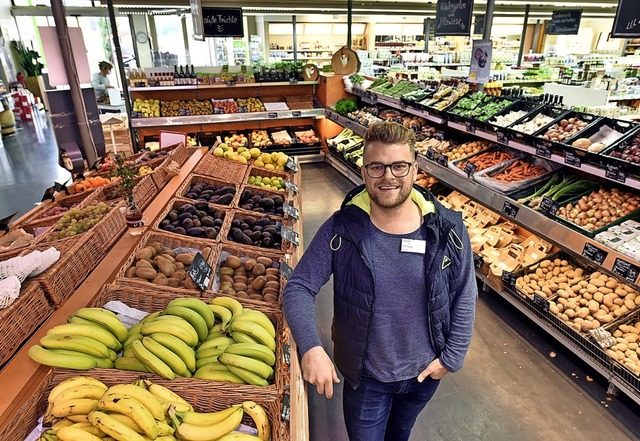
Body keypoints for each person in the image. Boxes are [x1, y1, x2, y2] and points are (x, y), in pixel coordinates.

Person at [282, 121, 478, 441]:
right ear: (363, 172)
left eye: (399, 166)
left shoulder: (448, 230)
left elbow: (465, 293)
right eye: (377, 167)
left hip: (423, 375)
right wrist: (311, 347)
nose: (388, 177)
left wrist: (450, 359)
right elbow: (300, 286)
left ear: (415, 170)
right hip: (367, 377)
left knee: (400, 433)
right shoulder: (342, 229)